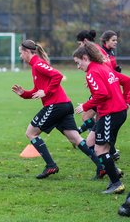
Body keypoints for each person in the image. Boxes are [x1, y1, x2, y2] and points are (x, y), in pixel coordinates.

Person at [12, 39, 103, 179]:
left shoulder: (38, 64)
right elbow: (38, 91)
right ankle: (101, 166)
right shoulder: (35, 66)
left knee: (31, 133)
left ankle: (51, 166)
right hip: (63, 105)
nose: (20, 56)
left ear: (26, 52)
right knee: (75, 138)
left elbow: (58, 75)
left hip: (56, 105)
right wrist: (24, 94)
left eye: (20, 53)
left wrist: (46, 92)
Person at [73, 41, 127, 194]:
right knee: (90, 142)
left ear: (85, 58)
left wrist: (85, 106)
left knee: (100, 149)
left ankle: (116, 183)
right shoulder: (103, 67)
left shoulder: (92, 72)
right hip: (114, 112)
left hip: (111, 113)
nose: (78, 67)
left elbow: (102, 94)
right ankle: (113, 170)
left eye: (78, 63)